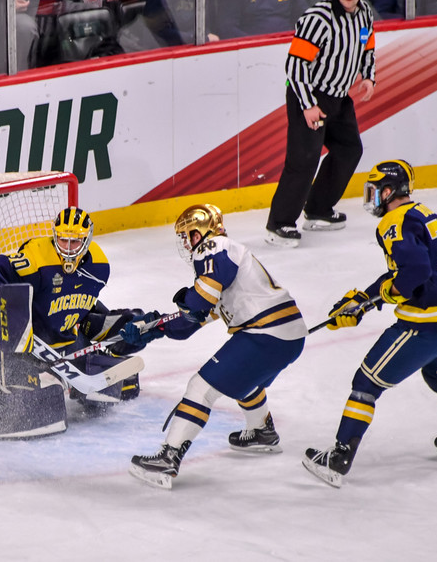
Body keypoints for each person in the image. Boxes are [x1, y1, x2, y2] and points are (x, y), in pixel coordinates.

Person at [303, 159, 437, 488]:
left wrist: (382, 296)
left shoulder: (392, 221)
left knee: (366, 383)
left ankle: (339, 458)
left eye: (375, 191)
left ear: (389, 191)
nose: (371, 198)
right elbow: (409, 269)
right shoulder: (421, 212)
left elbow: (414, 274)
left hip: (428, 326)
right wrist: (365, 297)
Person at [125, 204, 309, 489]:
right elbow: (195, 319)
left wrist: (182, 307)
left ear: (203, 231)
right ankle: (261, 430)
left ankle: (168, 458)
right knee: (244, 378)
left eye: (189, 234)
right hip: (289, 336)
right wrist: (156, 327)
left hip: (265, 333)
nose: (187, 243)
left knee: (201, 388)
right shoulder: (225, 260)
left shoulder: (213, 247)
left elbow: (197, 304)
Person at [0, 207, 142, 410]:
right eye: (63, 240)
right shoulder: (36, 257)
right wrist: (5, 305)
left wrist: (118, 323)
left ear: (87, 240)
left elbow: (80, 305)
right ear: (55, 236)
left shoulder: (99, 267)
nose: (68, 248)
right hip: (15, 344)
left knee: (109, 394)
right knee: (20, 411)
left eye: (75, 241)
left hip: (60, 341)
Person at [265, 0, 375, 247]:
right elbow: (296, 66)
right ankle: (279, 224)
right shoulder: (318, 18)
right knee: (304, 159)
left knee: (350, 149)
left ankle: (317, 209)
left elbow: (368, 45)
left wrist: (369, 77)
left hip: (339, 96)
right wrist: (307, 105)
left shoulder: (364, 14)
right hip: (310, 95)